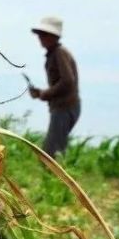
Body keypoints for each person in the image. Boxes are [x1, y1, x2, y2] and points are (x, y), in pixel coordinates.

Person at [28, 16, 80, 156]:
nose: (40, 38)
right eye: (40, 34)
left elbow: (68, 81)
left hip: (65, 108)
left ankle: (57, 177)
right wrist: (40, 93)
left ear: (53, 36)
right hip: (62, 107)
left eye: (43, 34)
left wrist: (45, 94)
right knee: (55, 149)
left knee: (51, 153)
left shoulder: (59, 53)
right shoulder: (54, 54)